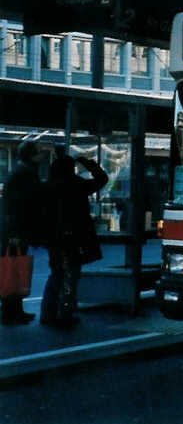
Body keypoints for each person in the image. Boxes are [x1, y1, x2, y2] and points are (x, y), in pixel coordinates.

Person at [40, 154, 108, 328]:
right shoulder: (76, 184)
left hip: (53, 238)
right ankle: (65, 312)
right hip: (73, 238)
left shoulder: (49, 186)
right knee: (70, 275)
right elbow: (102, 179)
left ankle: (48, 312)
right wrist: (89, 164)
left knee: (56, 273)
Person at [0, 141, 45, 325]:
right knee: (15, 270)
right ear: (31, 155)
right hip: (15, 230)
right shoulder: (25, 174)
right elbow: (23, 206)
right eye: (39, 153)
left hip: (11, 229)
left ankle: (12, 310)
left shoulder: (20, 172)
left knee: (13, 269)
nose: (42, 156)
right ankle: (12, 312)